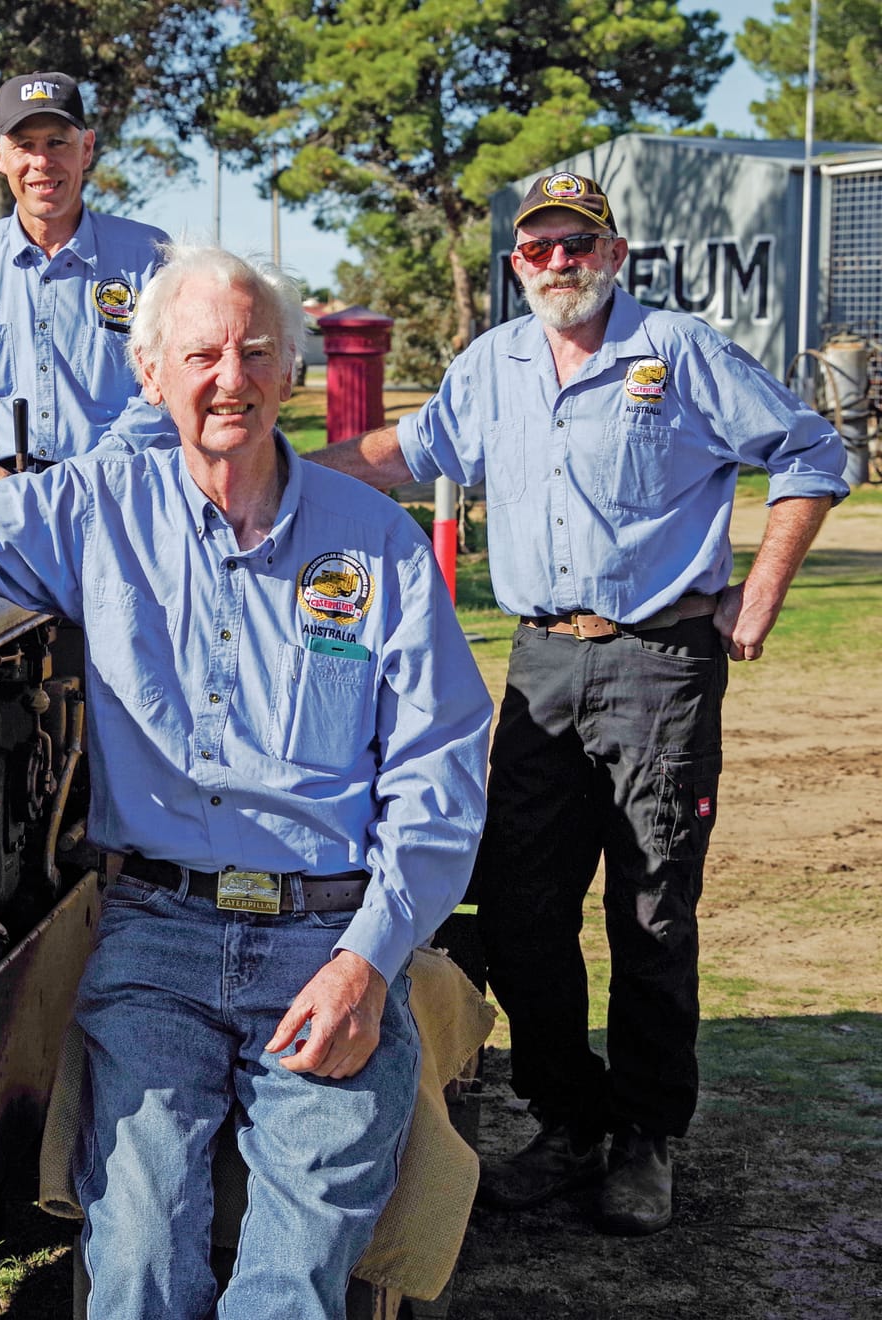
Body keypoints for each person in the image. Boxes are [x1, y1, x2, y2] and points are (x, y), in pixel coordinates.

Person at [0, 244, 491, 1319]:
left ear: (286, 371)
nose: (227, 378)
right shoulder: (98, 506)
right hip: (158, 933)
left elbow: (437, 774)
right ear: (149, 376)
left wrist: (367, 965)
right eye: (199, 354)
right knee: (138, 1258)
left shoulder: (372, 548)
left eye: (251, 351)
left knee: (289, 1281)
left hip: (324, 939)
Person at [312, 171, 848, 1235]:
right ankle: (565, 1120)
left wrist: (759, 591)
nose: (557, 262)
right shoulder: (493, 363)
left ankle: (644, 1139)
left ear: (612, 252)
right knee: (514, 906)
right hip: (539, 664)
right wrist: (269, 471)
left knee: (647, 911)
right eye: (539, 247)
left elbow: (810, 452)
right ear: (516, 264)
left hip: (660, 661)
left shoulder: (676, 351)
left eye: (576, 244)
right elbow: (402, 454)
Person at [0, 71, 172, 481]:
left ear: (85, 149)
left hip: (118, 488)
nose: (41, 162)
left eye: (56, 143)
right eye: (24, 146)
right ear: (0, 156)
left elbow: (170, 389)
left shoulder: (150, 260)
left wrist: (93, 472)